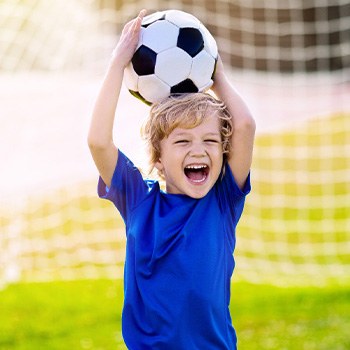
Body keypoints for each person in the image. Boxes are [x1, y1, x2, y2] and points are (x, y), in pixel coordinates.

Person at [88, 9, 255, 350]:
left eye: (210, 141)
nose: (199, 150)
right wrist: (118, 64)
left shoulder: (223, 201)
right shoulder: (139, 201)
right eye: (182, 141)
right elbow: (98, 141)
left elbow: (245, 126)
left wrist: (217, 74)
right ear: (159, 159)